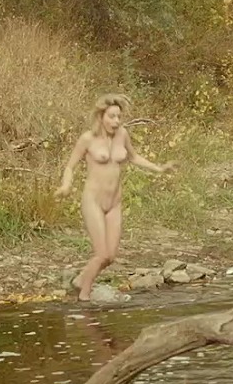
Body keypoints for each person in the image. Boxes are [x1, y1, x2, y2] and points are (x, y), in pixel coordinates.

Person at [55, 94, 174, 301]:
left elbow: (133, 157)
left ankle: (81, 279)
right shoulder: (87, 139)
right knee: (101, 254)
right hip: (93, 201)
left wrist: (159, 169)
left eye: (119, 117)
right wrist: (66, 186)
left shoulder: (122, 134)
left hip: (114, 203)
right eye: (112, 116)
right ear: (101, 116)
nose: (116, 121)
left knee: (110, 256)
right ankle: (84, 297)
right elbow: (70, 166)